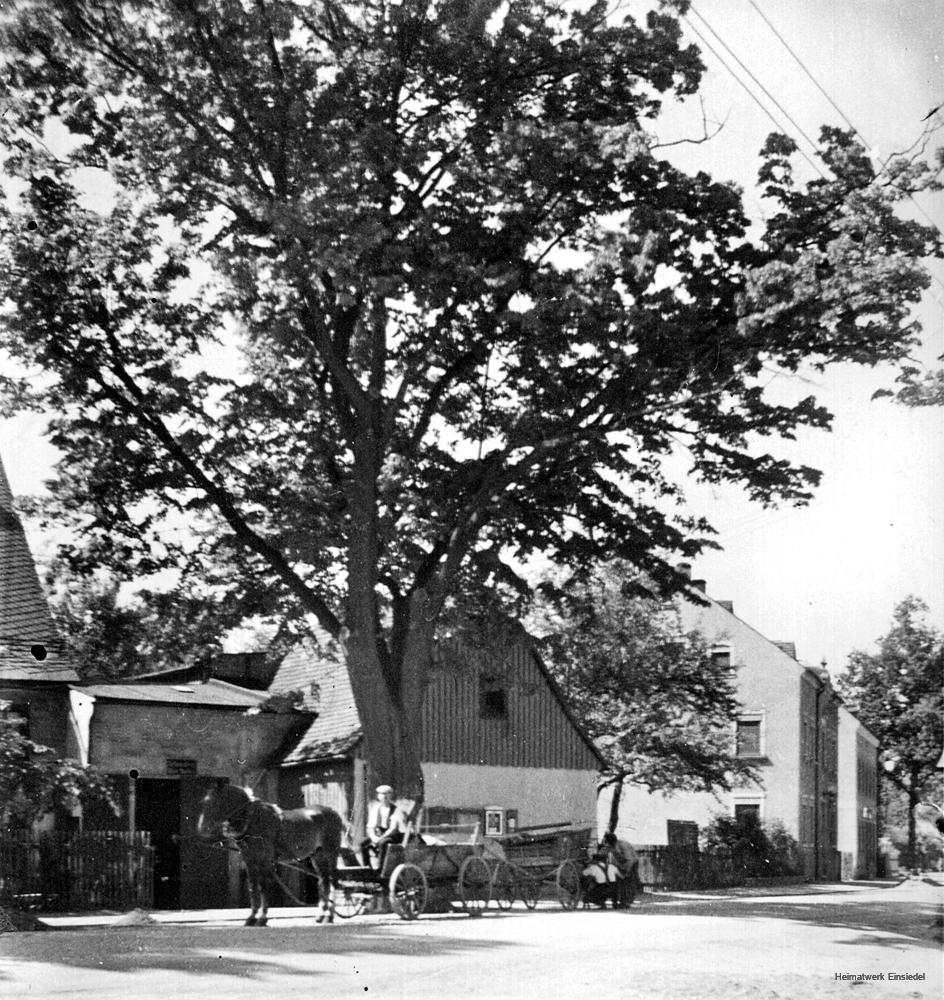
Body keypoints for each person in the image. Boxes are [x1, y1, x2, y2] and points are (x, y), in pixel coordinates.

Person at [362, 784, 407, 869]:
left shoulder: (396, 810)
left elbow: (392, 829)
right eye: (382, 794)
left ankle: (381, 868)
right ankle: (367, 867)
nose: (385, 797)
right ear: (378, 796)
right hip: (379, 835)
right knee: (363, 844)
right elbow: (371, 826)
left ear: (391, 796)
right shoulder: (375, 809)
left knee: (383, 843)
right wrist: (373, 837)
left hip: (392, 836)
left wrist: (381, 838)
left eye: (387, 794)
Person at [600, 831, 641, 908]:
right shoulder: (612, 846)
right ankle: (622, 901)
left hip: (632, 862)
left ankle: (626, 902)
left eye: (606, 842)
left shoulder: (622, 845)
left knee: (628, 882)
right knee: (620, 882)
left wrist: (626, 871)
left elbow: (629, 860)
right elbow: (604, 853)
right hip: (622, 863)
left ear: (610, 842)